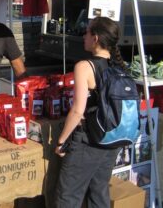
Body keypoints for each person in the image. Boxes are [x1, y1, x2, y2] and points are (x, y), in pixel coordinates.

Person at [54, 17, 123, 208]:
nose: (84, 35)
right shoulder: (119, 65)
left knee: (68, 196)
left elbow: (77, 111)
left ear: (96, 38)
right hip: (110, 139)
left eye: (87, 32)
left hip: (87, 141)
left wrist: (61, 141)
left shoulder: (85, 66)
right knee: (99, 193)